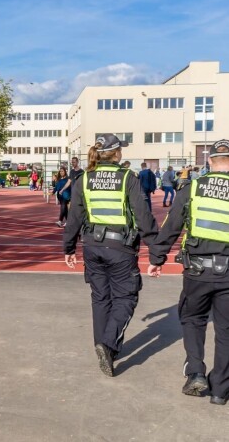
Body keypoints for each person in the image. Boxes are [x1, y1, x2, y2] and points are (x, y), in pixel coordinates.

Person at [63, 134, 159, 378]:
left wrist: (69, 248)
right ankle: (107, 345)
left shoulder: (84, 179)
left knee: (100, 298)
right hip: (120, 248)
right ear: (116, 153)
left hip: (92, 246)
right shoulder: (128, 178)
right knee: (126, 298)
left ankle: (103, 347)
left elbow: (74, 217)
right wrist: (157, 251)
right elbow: (143, 216)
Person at [148, 139, 229, 405]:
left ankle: (196, 372)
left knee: (193, 319)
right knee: (226, 330)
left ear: (209, 162)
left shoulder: (192, 188)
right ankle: (220, 389)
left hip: (196, 271)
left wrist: (157, 258)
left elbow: (172, 226)